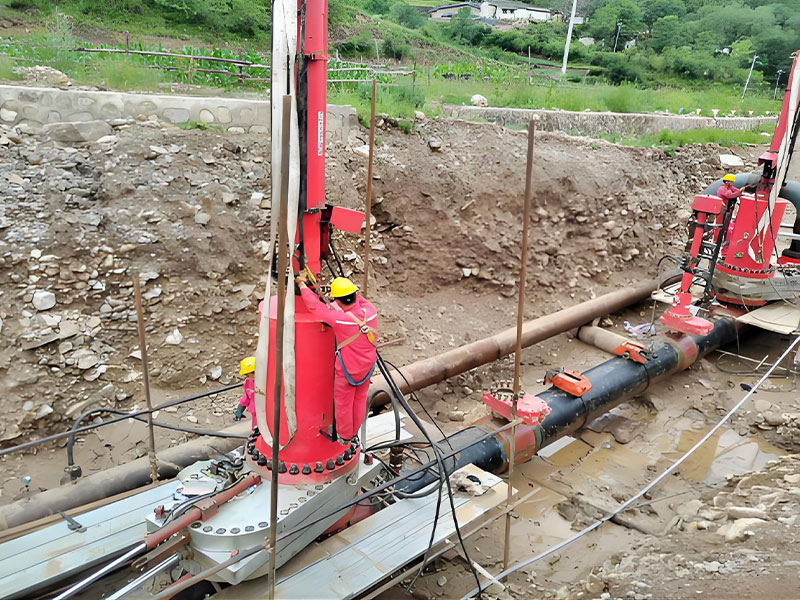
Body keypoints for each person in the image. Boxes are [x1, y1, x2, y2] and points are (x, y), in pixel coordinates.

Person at [295, 272, 378, 444]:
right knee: (360, 398)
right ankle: (355, 431)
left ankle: (345, 435)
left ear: (339, 301)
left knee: (343, 404)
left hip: (348, 370)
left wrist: (302, 285)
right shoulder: (370, 311)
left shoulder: (339, 319)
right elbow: (359, 300)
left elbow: (315, 308)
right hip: (368, 366)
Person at [234, 356, 257, 429]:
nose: (247, 376)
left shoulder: (267, 382)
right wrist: (239, 412)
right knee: (256, 432)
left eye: (248, 374)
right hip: (255, 414)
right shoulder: (248, 383)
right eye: (246, 374)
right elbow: (245, 399)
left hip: (267, 414)